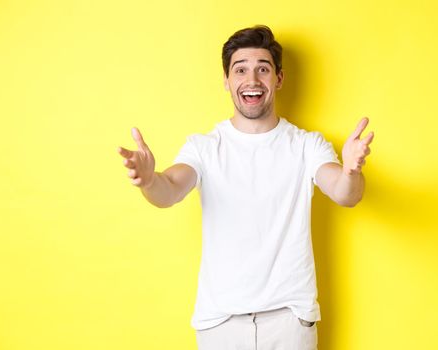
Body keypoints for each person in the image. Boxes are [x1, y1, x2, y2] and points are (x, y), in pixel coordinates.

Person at [117, 25, 373, 350]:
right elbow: (169, 189)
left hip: (290, 322)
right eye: (241, 70)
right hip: (220, 324)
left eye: (262, 69)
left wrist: (351, 170)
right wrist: (150, 180)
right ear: (226, 80)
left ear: (278, 79)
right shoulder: (204, 148)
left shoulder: (307, 145)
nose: (252, 80)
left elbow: (344, 192)